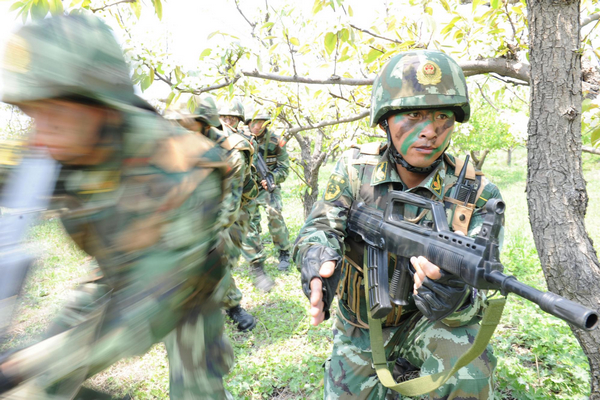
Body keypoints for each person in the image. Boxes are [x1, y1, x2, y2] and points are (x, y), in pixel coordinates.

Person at [0, 15, 234, 399]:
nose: (38, 134)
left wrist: (28, 369)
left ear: (101, 104)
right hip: (112, 274)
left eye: (54, 113)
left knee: (197, 388)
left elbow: (146, 309)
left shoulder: (180, 167)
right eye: (32, 113)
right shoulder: (57, 145)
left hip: (185, 284)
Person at [293, 50, 503, 399]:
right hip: (360, 328)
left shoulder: (477, 194)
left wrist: (458, 296)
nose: (431, 131)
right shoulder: (353, 171)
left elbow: (482, 287)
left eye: (442, 116)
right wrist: (317, 258)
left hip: (427, 324)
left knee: (471, 371)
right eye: (414, 115)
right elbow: (320, 227)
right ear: (385, 121)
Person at [167, 96, 258, 332]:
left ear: (205, 123)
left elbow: (231, 204)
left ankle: (233, 306)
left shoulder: (232, 152)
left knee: (219, 254)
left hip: (236, 208)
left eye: (185, 123)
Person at [219, 100, 276, 292]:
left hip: (243, 194)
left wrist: (261, 181)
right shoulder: (209, 137)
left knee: (248, 230)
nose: (228, 122)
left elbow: (253, 165)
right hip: (217, 198)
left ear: (239, 120)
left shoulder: (245, 139)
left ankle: (257, 268)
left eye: (232, 118)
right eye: (224, 117)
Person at [245, 109, 292, 272]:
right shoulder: (241, 139)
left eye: (260, 122)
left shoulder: (276, 141)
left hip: (267, 186)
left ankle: (284, 252)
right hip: (247, 187)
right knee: (246, 220)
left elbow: (284, 168)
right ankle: (255, 259)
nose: (256, 126)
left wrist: (272, 177)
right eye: (252, 122)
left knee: (274, 214)